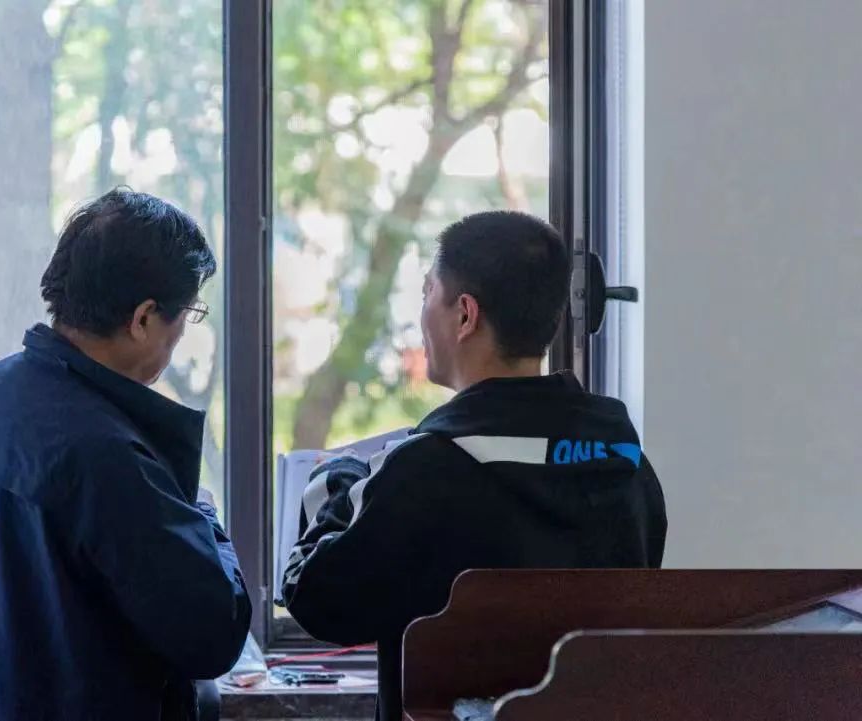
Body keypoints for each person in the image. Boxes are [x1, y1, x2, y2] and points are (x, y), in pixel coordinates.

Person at [280, 211, 667, 721]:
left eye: (427, 292)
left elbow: (316, 599)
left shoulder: (423, 470)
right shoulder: (629, 468)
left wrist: (336, 481)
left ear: (465, 315)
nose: (421, 313)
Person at [0, 189, 251, 721]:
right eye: (187, 314)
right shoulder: (106, 455)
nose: (181, 334)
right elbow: (212, 634)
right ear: (143, 318)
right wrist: (199, 511)